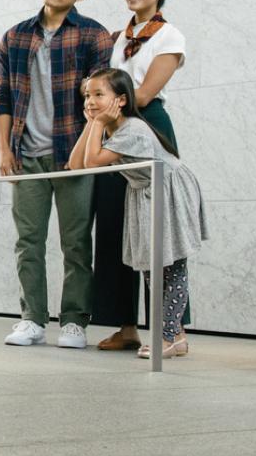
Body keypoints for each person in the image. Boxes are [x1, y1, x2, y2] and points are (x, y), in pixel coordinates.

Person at [0, 0, 113, 348]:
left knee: (76, 241)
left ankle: (75, 321)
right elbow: (2, 98)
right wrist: (4, 149)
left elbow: (98, 105)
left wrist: (88, 151)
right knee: (28, 241)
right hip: (26, 154)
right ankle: (32, 318)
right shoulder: (15, 37)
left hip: (73, 155)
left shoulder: (94, 36)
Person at [69, 68, 208, 360]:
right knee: (151, 266)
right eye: (87, 95)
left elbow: (92, 162)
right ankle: (176, 336)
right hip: (146, 192)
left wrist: (96, 124)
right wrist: (92, 123)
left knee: (171, 265)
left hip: (169, 189)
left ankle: (167, 335)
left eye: (98, 95)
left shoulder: (132, 129)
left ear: (120, 100)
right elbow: (75, 164)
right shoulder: (113, 128)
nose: (90, 101)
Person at [93, 0, 188, 351]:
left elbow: (145, 93)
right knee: (116, 227)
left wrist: (107, 106)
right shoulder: (119, 38)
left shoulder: (170, 37)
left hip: (147, 127)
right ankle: (126, 325)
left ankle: (172, 331)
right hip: (116, 127)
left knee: (158, 234)